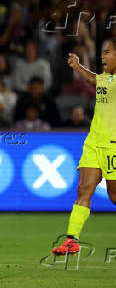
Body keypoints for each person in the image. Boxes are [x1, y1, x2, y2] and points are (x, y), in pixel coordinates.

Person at [52, 44, 116, 255]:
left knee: (114, 196)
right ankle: (72, 240)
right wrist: (78, 67)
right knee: (83, 189)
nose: (102, 56)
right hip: (93, 143)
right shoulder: (105, 79)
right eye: (103, 52)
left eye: (108, 52)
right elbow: (92, 79)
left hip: (113, 146)